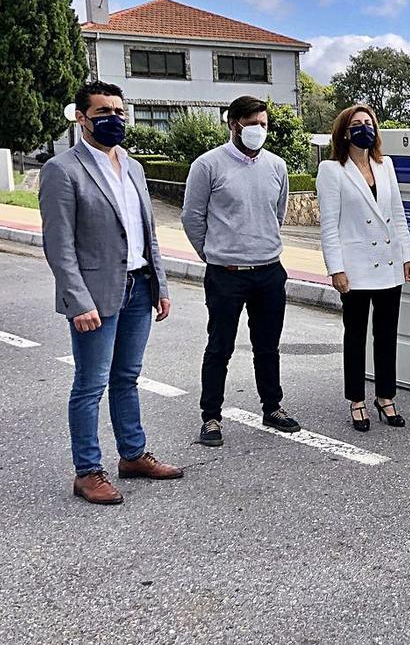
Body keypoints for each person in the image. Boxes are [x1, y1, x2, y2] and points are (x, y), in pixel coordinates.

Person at [39, 80, 183, 504]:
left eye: (119, 112)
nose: (114, 119)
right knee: (90, 383)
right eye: (103, 112)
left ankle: (133, 454)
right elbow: (59, 244)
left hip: (139, 287)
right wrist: (78, 300)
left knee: (127, 377)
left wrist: (160, 282)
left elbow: (147, 232)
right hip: (95, 294)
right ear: (81, 117)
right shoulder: (62, 169)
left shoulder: (134, 166)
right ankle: (87, 471)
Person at [182, 96, 300, 446]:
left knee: (268, 346)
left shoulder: (276, 166)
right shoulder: (207, 165)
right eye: (251, 124)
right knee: (219, 346)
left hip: (269, 271)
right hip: (226, 273)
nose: (258, 130)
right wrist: (214, 254)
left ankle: (272, 407)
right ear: (232, 123)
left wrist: (261, 246)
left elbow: (277, 214)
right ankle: (212, 417)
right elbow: (192, 217)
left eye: (263, 124)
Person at [317, 105, 410, 432]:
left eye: (369, 123)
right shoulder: (332, 170)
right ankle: (357, 399)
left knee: (387, 335)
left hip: (389, 265)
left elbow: (397, 213)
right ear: (345, 132)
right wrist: (336, 268)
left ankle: (385, 396)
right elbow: (329, 226)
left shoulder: (385, 164)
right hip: (355, 267)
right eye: (357, 124)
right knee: (356, 335)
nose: (365, 128)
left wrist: (407, 255)